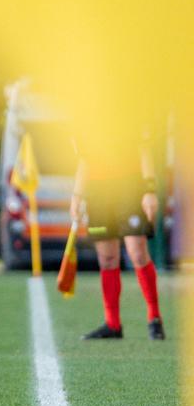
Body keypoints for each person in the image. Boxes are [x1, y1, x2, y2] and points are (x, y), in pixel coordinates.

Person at [70, 140, 165, 340]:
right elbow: (84, 159)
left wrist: (149, 190)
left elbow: (144, 147)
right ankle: (113, 324)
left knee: (137, 252)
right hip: (98, 192)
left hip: (129, 187)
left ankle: (154, 318)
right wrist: (76, 196)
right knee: (107, 258)